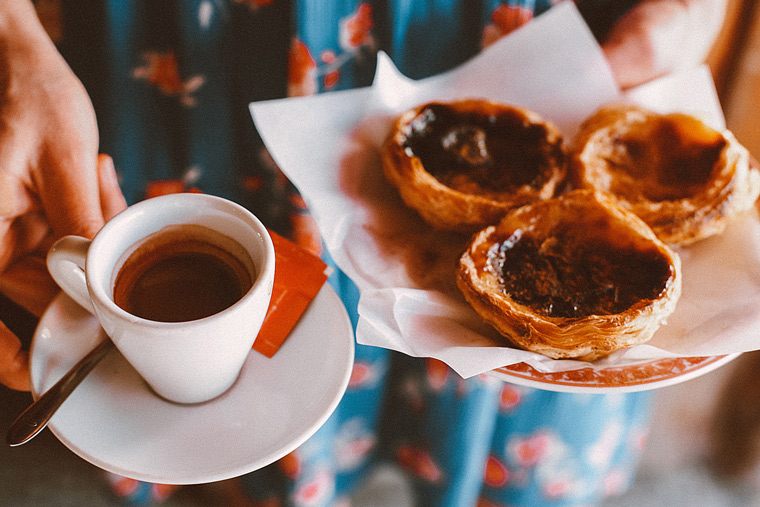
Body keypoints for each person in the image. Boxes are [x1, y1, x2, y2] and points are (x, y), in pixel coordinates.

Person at [0, 0, 727, 505]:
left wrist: (686, 12)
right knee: (257, 409)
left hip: (520, 36)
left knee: (499, 414)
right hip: (198, 58)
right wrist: (16, 46)